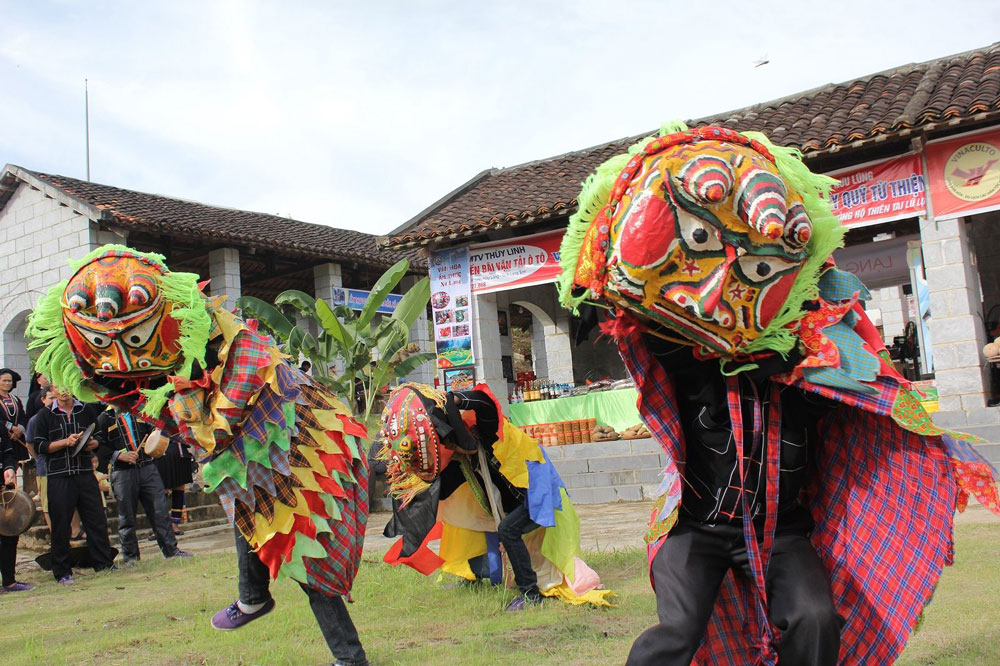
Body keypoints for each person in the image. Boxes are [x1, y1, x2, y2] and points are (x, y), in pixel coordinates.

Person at [555, 123, 1000, 665]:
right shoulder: (692, 359)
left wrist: (797, 351)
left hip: (782, 532)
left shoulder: (815, 367)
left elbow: (865, 386)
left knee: (815, 618)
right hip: (698, 526)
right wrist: (597, 290)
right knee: (677, 631)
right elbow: (643, 316)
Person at [27, 245, 370, 665]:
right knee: (250, 517)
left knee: (303, 551)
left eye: (132, 339)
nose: (121, 356)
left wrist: (195, 429)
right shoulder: (176, 372)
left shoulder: (241, 349)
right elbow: (173, 417)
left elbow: (214, 425)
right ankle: (254, 597)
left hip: (301, 454)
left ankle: (345, 655)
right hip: (253, 469)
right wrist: (126, 397)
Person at [379, 384, 613, 610]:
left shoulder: (488, 430)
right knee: (471, 525)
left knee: (508, 531)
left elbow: (485, 404)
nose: (452, 447)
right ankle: (476, 575)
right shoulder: (458, 461)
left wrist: (456, 399)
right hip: (513, 501)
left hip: (538, 491)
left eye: (452, 441)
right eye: (448, 444)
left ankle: (531, 595)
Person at [32, 386, 117, 583]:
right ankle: (62, 571)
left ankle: (103, 563)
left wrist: (91, 444)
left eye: (67, 387)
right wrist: (65, 442)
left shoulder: (85, 410)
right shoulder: (45, 415)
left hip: (84, 473)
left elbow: (98, 437)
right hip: (59, 475)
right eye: (58, 388)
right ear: (52, 388)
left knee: (96, 520)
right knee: (61, 524)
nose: (63, 392)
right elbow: (40, 446)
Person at [97, 408, 191, 564]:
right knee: (126, 516)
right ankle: (131, 558)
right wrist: (119, 455)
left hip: (148, 467)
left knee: (160, 511)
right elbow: (99, 445)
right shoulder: (104, 418)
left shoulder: (140, 412)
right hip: (122, 472)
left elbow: (153, 433)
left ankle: (171, 551)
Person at [1, 416, 35, 593]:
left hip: (3, 488)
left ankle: (9, 581)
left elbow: (8, 453)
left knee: (9, 532)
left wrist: (9, 468)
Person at [152, 434, 195, 537]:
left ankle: (174, 524)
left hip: (179, 451)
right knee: (162, 490)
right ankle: (160, 526)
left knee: (179, 489)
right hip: (160, 451)